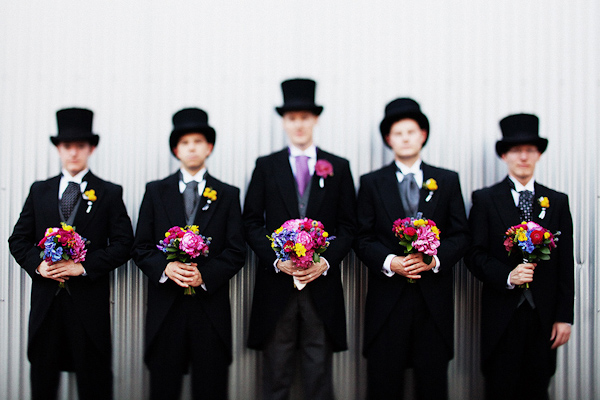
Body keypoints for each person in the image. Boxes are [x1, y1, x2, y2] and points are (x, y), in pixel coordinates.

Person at [8, 108, 134, 400]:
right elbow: (18, 239)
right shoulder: (40, 191)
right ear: (58, 148)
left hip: (88, 305)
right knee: (43, 381)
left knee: (94, 383)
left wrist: (84, 267)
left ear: (91, 148)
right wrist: (39, 266)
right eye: (67, 146)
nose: (73, 153)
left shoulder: (109, 192)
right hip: (46, 306)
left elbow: (124, 243)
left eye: (80, 146)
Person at [243, 78, 356, 400]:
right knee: (276, 376)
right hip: (277, 287)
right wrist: (277, 260)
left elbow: (349, 225)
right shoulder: (266, 167)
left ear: (315, 119)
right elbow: (251, 222)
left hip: (322, 288)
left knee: (318, 376)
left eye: (305, 117)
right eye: (292, 118)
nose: (299, 124)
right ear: (284, 121)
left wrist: (326, 261)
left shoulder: (338, 167)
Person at [356, 98, 469, 399]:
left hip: (433, 303)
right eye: (398, 133)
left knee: (432, 385)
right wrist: (390, 261)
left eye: (411, 131)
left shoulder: (446, 180)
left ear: (423, 135)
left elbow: (460, 235)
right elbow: (362, 237)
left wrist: (434, 260)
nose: (405, 138)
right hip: (387, 303)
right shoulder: (371, 183)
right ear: (388, 139)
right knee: (383, 384)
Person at [131, 107, 246, 400]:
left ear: (209, 147)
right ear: (175, 149)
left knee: (211, 386)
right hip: (166, 308)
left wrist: (204, 274)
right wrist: (165, 268)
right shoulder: (156, 191)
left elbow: (236, 250)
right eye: (184, 142)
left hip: (210, 309)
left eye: (198, 141)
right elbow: (141, 246)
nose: (191, 147)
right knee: (164, 387)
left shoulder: (227, 194)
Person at [465, 113, 574, 400]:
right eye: (515, 150)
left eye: (529, 150)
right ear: (504, 155)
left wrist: (564, 317)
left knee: (538, 388)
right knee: (500, 387)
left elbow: (565, 264)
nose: (523, 156)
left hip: (544, 316)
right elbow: (474, 255)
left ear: (538, 154)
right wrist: (507, 276)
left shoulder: (557, 201)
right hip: (502, 316)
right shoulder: (485, 199)